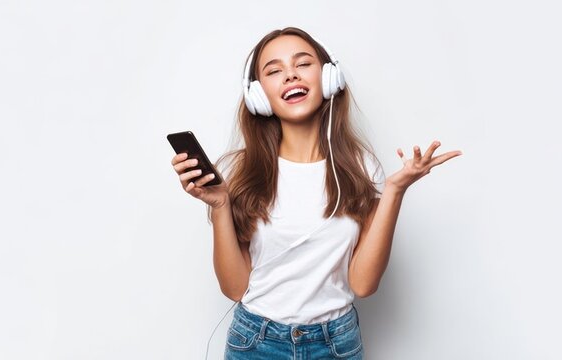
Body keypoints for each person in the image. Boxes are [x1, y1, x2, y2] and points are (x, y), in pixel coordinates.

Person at [170, 27, 462, 359]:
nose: (290, 75)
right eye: (274, 70)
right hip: (256, 342)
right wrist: (221, 204)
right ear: (258, 95)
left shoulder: (361, 168)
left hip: (336, 342)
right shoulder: (244, 171)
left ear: (328, 77)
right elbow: (235, 288)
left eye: (303, 63)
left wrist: (394, 191)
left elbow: (363, 284)